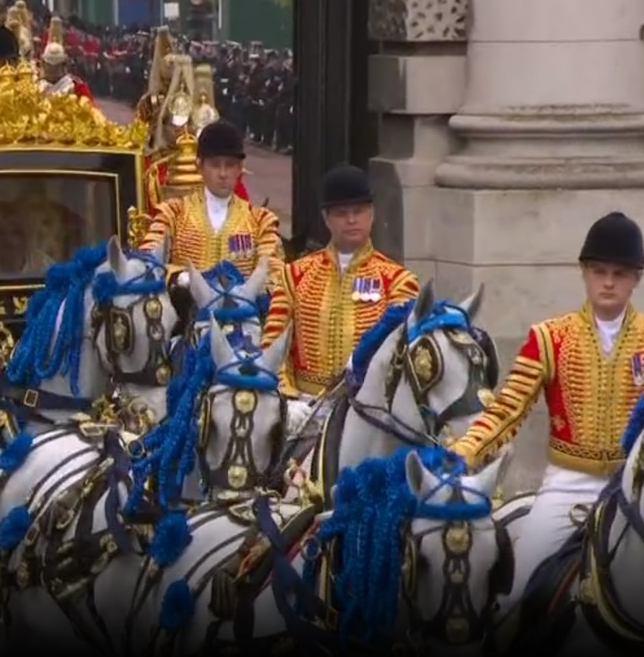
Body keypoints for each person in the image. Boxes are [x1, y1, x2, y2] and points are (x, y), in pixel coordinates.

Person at [449, 212, 644, 620]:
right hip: (568, 488)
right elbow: (509, 408)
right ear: (584, 273)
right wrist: (465, 450)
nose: (608, 282)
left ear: (636, 279)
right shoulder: (550, 337)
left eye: (619, 273)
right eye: (599, 271)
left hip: (636, 488)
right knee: (516, 595)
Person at [261, 164, 420, 400]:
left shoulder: (397, 281)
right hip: (303, 402)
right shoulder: (294, 274)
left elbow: (403, 351)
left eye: (359, 211)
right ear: (326, 218)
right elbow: (273, 342)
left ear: (372, 214)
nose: (351, 220)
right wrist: (287, 396)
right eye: (341, 213)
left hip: (368, 406)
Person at [140, 121, 281, 279]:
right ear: (199, 166)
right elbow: (148, 262)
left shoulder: (260, 221)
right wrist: (178, 277)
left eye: (229, 165)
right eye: (215, 165)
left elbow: (274, 276)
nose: (222, 174)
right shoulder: (173, 213)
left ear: (240, 168)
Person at [37, 17, 93, 103]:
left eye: (56, 66)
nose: (53, 70)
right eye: (50, 65)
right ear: (43, 64)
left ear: (63, 64)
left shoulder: (77, 87)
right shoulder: (35, 86)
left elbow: (91, 110)